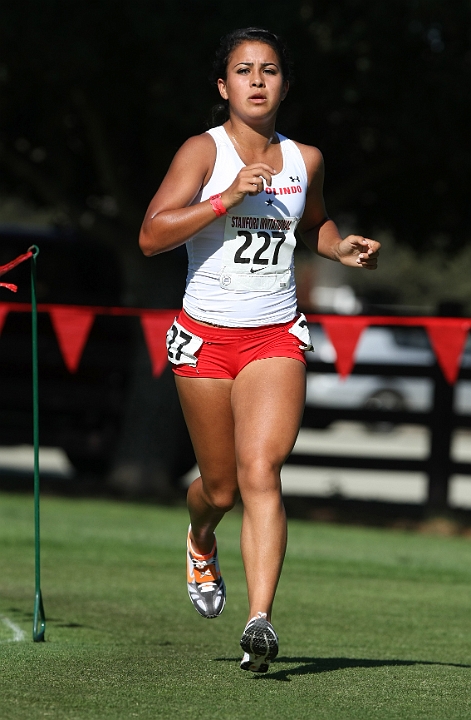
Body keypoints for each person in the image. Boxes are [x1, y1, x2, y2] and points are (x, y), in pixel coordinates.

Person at [139, 27, 380, 673]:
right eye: (242, 70)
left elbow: (314, 221)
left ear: (283, 84)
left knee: (260, 473)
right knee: (218, 490)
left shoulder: (306, 158)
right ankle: (198, 537)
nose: (255, 80)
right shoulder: (203, 150)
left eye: (268, 70)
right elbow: (151, 235)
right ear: (222, 87)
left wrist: (337, 247)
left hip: (274, 333)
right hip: (206, 337)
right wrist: (225, 197)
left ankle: (259, 620)